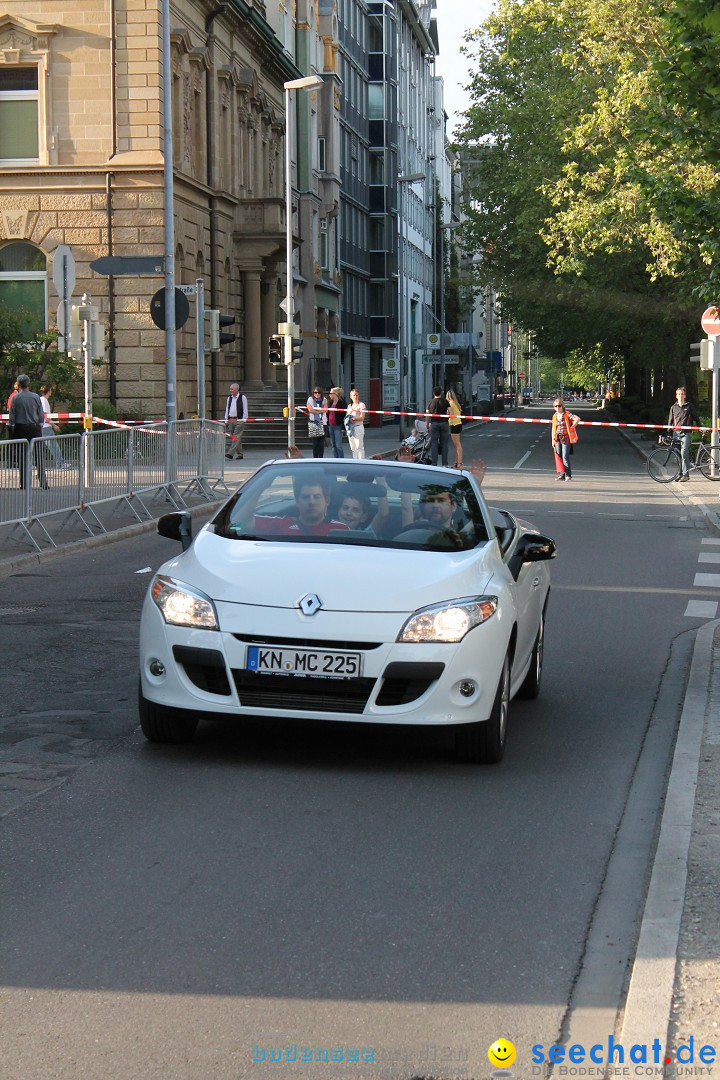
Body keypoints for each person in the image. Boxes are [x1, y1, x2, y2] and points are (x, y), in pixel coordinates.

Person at [251, 476, 348, 536]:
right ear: (297, 501)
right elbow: (239, 524)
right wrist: (259, 488)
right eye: (305, 497)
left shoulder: (340, 529)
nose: (311, 502)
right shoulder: (280, 524)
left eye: (317, 497)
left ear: (327, 501)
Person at [9, 374, 46, 489]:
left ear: (19, 384)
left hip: (20, 428)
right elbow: (40, 414)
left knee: (22, 456)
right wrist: (40, 425)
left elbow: (12, 416)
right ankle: (43, 482)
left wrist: (13, 426)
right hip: (34, 428)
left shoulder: (15, 398)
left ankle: (24, 483)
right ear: (28, 384)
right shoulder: (35, 397)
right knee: (39, 455)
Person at [667, 386, 700, 482]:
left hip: (686, 433)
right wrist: (669, 433)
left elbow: (696, 417)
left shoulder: (689, 406)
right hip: (676, 433)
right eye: (678, 394)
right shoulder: (673, 407)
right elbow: (670, 421)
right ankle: (680, 474)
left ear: (685, 396)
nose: (680, 396)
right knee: (678, 455)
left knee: (684, 453)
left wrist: (699, 427)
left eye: (682, 394)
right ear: (676, 396)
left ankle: (686, 475)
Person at [40, 385, 69, 468]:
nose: (51, 392)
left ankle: (30, 464)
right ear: (48, 391)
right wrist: (54, 425)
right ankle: (60, 464)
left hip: (42, 427)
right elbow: (45, 416)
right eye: (50, 391)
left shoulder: (41, 400)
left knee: (39, 446)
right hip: (46, 427)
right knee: (54, 446)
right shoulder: (44, 401)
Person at [551, 398, 580, 481]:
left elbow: (577, 419)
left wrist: (572, 426)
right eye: (555, 406)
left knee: (565, 456)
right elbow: (553, 428)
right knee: (559, 455)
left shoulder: (567, 414)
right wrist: (553, 440)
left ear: (562, 406)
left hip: (566, 437)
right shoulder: (555, 415)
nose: (557, 407)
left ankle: (568, 475)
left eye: (559, 406)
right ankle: (562, 474)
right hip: (557, 437)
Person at [427, 386, 450, 466]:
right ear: (441, 392)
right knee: (445, 444)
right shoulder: (445, 402)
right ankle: (445, 464)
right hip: (444, 423)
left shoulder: (431, 402)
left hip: (434, 423)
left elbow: (427, 414)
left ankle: (434, 463)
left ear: (433, 393)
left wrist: (427, 424)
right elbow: (450, 412)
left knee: (434, 443)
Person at [224, 383, 248, 459]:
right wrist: (226, 419)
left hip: (239, 420)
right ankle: (240, 454)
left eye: (232, 389)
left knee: (236, 436)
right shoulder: (229, 398)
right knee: (236, 437)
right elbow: (227, 409)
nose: (230, 390)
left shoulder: (242, 397)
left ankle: (230, 453)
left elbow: (245, 408)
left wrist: (244, 419)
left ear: (237, 389)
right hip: (231, 419)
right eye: (230, 389)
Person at [306, 387, 328, 458]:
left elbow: (325, 410)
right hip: (314, 422)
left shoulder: (324, 399)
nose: (317, 394)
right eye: (315, 392)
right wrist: (319, 411)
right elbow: (310, 410)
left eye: (319, 393)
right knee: (315, 443)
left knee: (321, 443)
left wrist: (317, 411)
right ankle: (315, 457)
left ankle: (321, 457)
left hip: (323, 422)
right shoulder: (310, 399)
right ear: (313, 393)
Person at [345, 388, 366, 459]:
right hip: (350, 428)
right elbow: (347, 416)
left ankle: (361, 462)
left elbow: (362, 417)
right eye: (354, 395)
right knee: (353, 447)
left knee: (359, 446)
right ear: (350, 396)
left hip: (358, 427)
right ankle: (355, 461)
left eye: (357, 395)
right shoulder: (349, 406)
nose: (355, 397)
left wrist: (354, 418)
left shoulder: (361, 405)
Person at [326, 386, 346, 458]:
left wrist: (343, 427)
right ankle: (335, 459)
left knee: (338, 445)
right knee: (333, 445)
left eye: (331, 393)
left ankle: (341, 459)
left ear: (336, 394)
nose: (329, 395)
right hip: (330, 425)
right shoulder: (329, 402)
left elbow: (344, 415)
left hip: (338, 426)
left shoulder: (342, 403)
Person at [446, 389, 463, 468]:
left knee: (457, 444)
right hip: (458, 423)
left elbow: (449, 414)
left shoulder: (450, 404)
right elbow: (460, 411)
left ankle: (459, 462)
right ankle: (457, 462)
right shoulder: (456, 403)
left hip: (454, 424)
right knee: (456, 444)